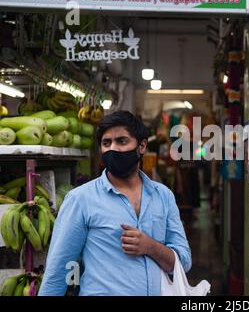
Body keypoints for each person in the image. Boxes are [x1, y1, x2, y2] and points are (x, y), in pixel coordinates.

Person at [39, 110, 191, 296]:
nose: (113, 148)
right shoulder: (81, 199)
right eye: (106, 143)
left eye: (122, 141)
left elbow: (184, 262)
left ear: (142, 146)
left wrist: (150, 246)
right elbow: (58, 271)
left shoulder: (163, 196)